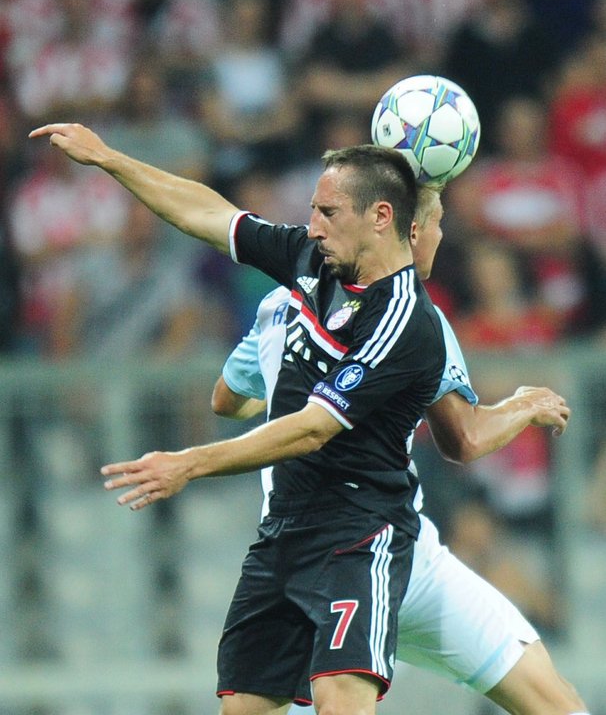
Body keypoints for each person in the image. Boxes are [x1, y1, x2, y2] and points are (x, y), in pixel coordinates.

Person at [28, 123, 449, 715]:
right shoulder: (313, 260)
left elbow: (313, 427)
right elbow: (207, 213)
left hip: (358, 535)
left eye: (328, 212)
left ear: (381, 217)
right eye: (313, 211)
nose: (313, 226)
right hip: (285, 530)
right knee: (242, 708)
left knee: (340, 703)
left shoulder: (406, 320)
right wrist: (109, 159)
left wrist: (190, 463)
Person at [211, 184, 589, 715]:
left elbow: (227, 399)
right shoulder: (415, 318)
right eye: (433, 224)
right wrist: (521, 406)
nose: (439, 236)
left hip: (378, 552)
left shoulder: (281, 305)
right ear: (405, 231)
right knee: (551, 702)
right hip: (361, 552)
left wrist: (279, 391)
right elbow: (465, 437)